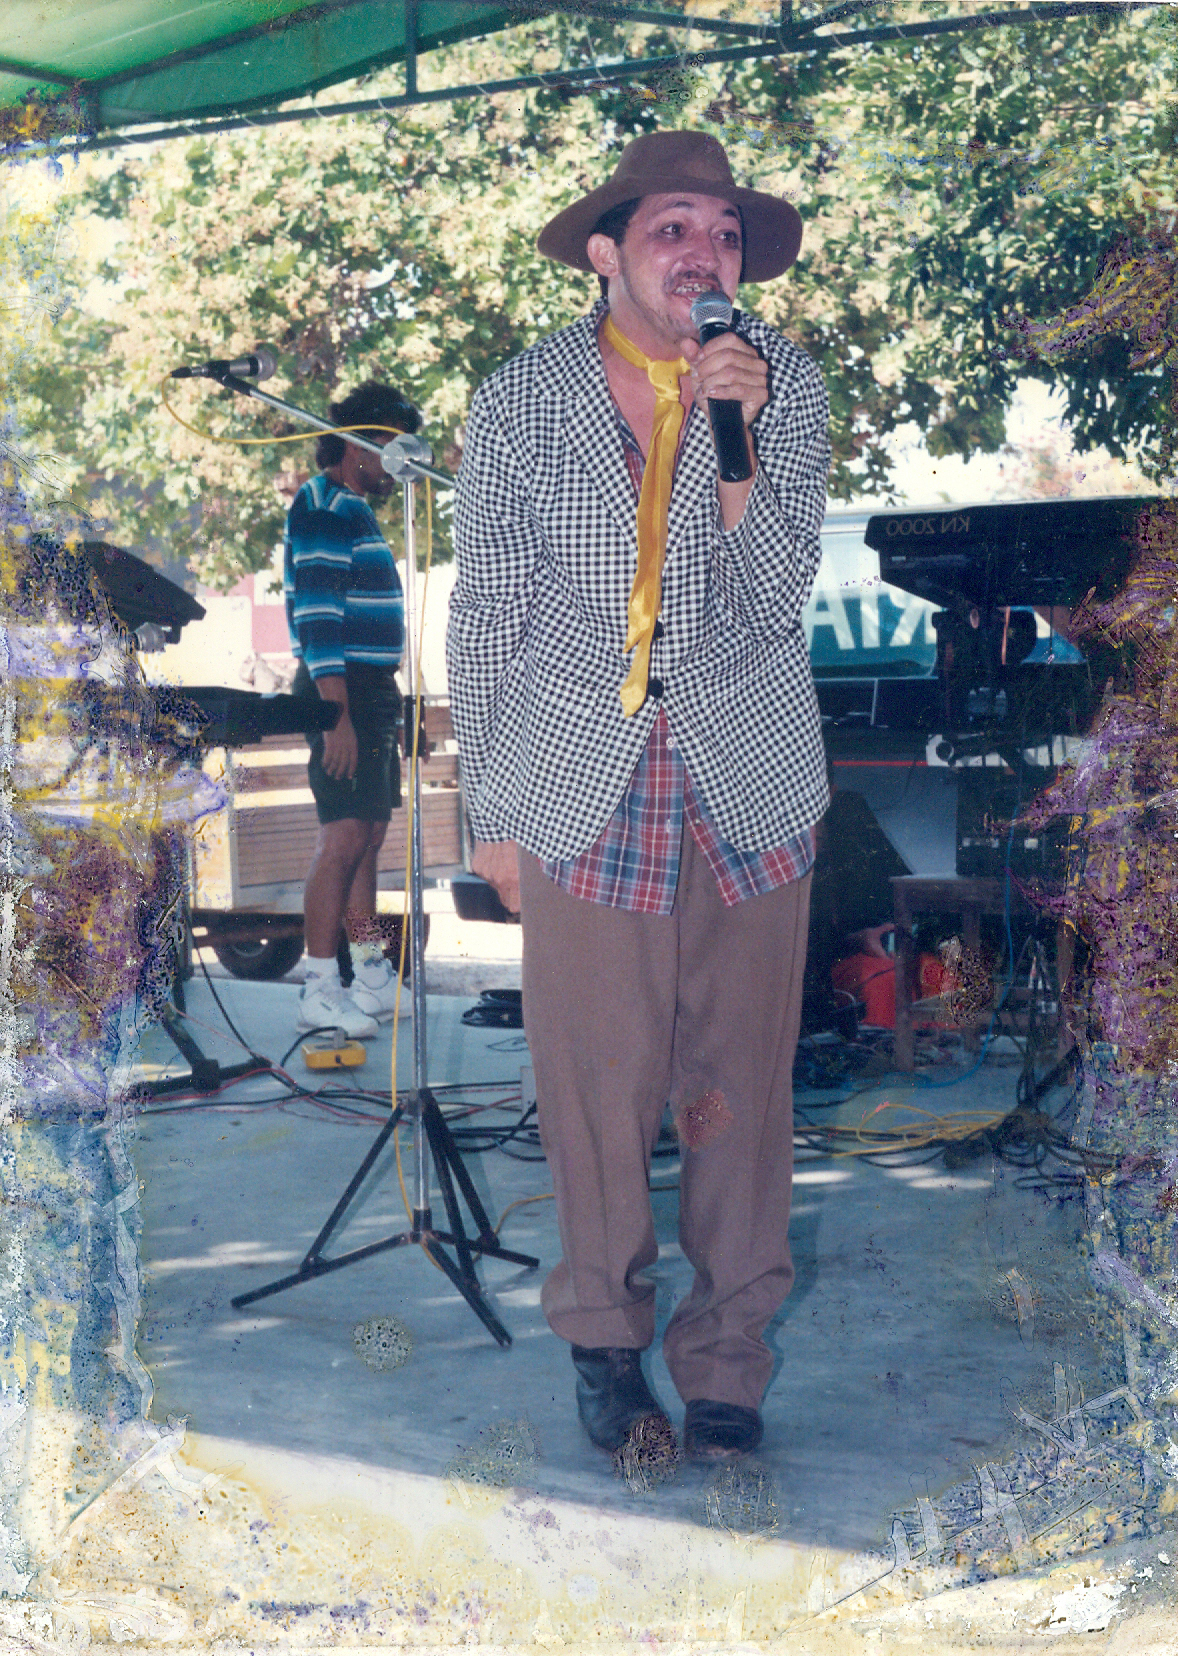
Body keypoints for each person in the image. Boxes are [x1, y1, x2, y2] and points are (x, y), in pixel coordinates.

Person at [446, 131, 830, 1460]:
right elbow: (486, 617)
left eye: (723, 234)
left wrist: (741, 451)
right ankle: (605, 1351)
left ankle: (727, 1361)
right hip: (577, 779)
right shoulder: (519, 399)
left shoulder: (784, 386)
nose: (703, 255)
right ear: (605, 253)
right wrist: (490, 818)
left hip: (747, 777)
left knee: (737, 1094)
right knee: (595, 1091)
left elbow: (771, 600)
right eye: (673, 228)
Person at [284, 380, 421, 1039]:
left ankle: (368, 973)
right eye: (392, 446)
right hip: (340, 693)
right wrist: (335, 716)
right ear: (358, 443)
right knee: (341, 837)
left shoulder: (356, 509)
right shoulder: (322, 505)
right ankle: (318, 986)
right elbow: (317, 617)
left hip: (372, 691)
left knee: (367, 836)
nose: (399, 463)